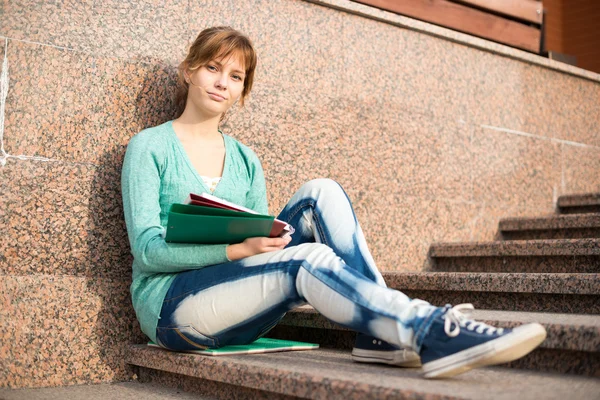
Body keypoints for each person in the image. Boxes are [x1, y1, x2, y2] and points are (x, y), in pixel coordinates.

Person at [121, 26, 546, 379]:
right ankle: (429, 328)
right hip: (173, 310)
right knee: (305, 259)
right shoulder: (150, 147)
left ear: (242, 90)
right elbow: (147, 250)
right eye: (213, 68)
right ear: (189, 70)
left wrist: (256, 245)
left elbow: (258, 232)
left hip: (241, 302)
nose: (221, 82)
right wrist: (237, 249)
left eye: (235, 76)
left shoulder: (246, 160)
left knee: (320, 190)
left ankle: (379, 336)